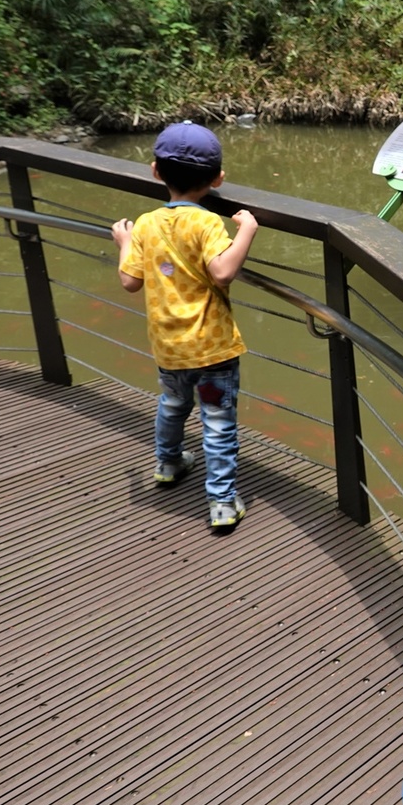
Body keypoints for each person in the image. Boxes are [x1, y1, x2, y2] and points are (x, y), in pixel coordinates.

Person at [110, 121, 259, 529]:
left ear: (156, 171)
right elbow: (223, 272)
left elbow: (129, 281)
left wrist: (125, 245)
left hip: (169, 347)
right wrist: (247, 228)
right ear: (218, 179)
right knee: (217, 422)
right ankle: (223, 503)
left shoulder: (145, 224)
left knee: (173, 405)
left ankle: (169, 464)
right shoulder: (208, 223)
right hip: (212, 352)